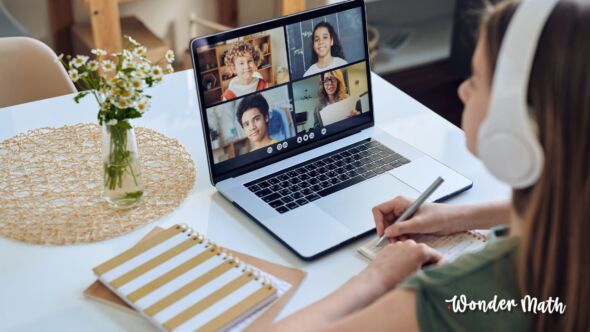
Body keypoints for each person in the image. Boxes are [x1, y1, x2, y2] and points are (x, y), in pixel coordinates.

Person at [273, 1, 589, 331]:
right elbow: (562, 208)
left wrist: (376, 277)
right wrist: (456, 216)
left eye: (476, 79)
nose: (462, 89)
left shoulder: (460, 296)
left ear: (517, 126)